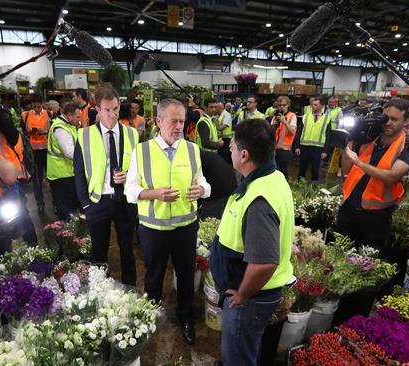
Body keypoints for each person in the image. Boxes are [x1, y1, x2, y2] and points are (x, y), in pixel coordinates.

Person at [125, 98, 211, 345]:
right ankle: (150, 316)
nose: (179, 126)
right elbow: (130, 190)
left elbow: (203, 181)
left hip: (186, 227)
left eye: (182, 121)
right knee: (154, 275)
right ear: (158, 121)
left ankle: (185, 316)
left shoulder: (192, 149)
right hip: (154, 229)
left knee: (186, 275)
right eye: (174, 121)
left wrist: (202, 190)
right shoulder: (142, 152)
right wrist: (154, 194)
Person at [210, 119, 294, 366]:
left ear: (244, 154)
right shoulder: (272, 176)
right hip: (254, 295)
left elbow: (265, 263)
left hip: (250, 298)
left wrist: (241, 295)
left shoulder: (259, 199)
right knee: (244, 348)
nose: (230, 150)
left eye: (233, 146)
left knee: (238, 358)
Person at [74, 86, 139, 287]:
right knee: (99, 251)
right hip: (97, 201)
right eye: (107, 110)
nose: (112, 114)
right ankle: (99, 288)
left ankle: (130, 287)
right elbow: (77, 172)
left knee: (127, 248)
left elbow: (140, 168)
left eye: (116, 109)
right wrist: (85, 204)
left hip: (125, 200)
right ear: (98, 110)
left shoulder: (132, 134)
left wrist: (129, 176)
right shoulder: (84, 136)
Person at [337, 98, 409, 256]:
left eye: (394, 119)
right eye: (386, 118)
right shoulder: (369, 136)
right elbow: (347, 168)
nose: (388, 123)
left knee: (369, 260)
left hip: (377, 214)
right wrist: (350, 138)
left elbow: (392, 176)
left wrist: (358, 162)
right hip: (349, 206)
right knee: (339, 253)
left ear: (406, 121)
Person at [0, 86, 38, 246]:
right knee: (1, 218)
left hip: (13, 184)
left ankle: (32, 246)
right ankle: (9, 249)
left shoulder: (12, 135)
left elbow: (2, 119)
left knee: (21, 215)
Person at [47, 102, 81, 220]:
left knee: (71, 205)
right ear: (69, 115)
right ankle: (68, 233)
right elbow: (69, 152)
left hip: (67, 173)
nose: (79, 119)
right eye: (77, 117)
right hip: (61, 175)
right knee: (66, 210)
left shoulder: (68, 125)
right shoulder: (60, 129)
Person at [22, 94, 49, 216]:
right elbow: (23, 131)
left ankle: (55, 204)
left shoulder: (49, 114)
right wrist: (29, 131)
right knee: (37, 181)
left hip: (47, 151)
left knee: (52, 179)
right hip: (33, 153)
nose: (37, 109)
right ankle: (40, 205)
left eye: (38, 106)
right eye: (34, 107)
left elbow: (52, 130)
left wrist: (45, 132)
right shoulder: (25, 115)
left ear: (42, 104)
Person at [296, 97, 331, 182]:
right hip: (304, 147)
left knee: (315, 170)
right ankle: (299, 187)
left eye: (315, 104)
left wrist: (325, 151)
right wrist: (297, 146)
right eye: (312, 104)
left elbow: (328, 136)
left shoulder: (327, 118)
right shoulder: (306, 116)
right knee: (302, 169)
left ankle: (313, 188)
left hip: (318, 148)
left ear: (322, 106)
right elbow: (299, 133)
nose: (312, 106)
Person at [271, 96, 297, 177]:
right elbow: (270, 133)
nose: (282, 107)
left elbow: (293, 132)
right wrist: (272, 125)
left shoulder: (292, 116)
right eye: (279, 105)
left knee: (283, 172)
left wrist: (285, 122)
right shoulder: (276, 115)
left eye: (284, 105)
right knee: (273, 171)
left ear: (288, 105)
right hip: (274, 149)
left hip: (285, 150)